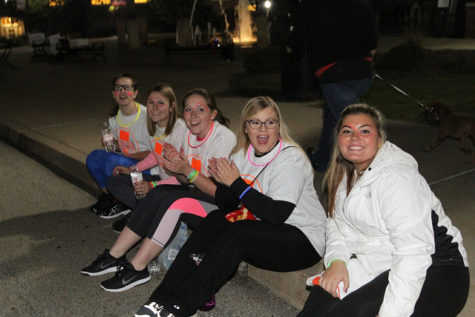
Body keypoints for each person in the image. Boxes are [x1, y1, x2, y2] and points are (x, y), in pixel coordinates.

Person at [133, 96, 327, 317]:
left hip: (303, 241)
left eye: (270, 122)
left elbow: (277, 214)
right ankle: (160, 299)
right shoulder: (243, 154)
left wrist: (235, 182)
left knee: (238, 233)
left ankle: (182, 306)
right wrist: (224, 182)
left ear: (278, 126)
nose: (263, 129)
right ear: (246, 128)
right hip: (265, 229)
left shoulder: (290, 158)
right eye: (255, 122)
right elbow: (226, 204)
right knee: (216, 219)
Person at [298, 104, 469, 317]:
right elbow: (335, 223)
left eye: (365, 130)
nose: (355, 137)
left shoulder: (397, 178)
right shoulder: (344, 174)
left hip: (438, 269)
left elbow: (413, 252)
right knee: (321, 297)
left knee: (351, 312)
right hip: (383, 263)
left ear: (380, 139)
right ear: (339, 138)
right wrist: (336, 261)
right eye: (347, 131)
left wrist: (391, 313)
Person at [80, 88, 237, 293]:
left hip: (222, 206)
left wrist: (185, 170)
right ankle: (115, 256)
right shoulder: (190, 135)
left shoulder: (222, 138)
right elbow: (184, 179)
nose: (193, 115)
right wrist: (175, 166)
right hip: (196, 193)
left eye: (200, 109)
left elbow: (219, 193)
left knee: (170, 201)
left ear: (213, 113)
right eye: (188, 109)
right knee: (156, 194)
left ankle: (138, 267)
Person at [287, 0, 378, 171]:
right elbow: (372, 42)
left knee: (355, 123)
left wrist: (291, 47)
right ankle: (323, 160)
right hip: (362, 71)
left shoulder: (311, 5)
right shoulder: (362, 4)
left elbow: (299, 33)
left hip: (333, 73)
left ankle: (377, 164)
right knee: (332, 117)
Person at [103, 83, 187, 225]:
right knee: (114, 181)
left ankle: (146, 215)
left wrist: (152, 186)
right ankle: (148, 212)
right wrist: (133, 169)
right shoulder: (156, 126)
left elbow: (182, 178)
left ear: (172, 106)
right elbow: (156, 154)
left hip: (179, 186)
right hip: (161, 179)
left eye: (161, 103)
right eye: (151, 103)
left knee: (145, 190)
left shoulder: (180, 131)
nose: (155, 107)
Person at [87, 74, 151, 217]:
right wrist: (110, 143)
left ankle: (123, 201)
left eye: (126, 88)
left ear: (135, 93)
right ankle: (113, 196)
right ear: (113, 93)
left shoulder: (147, 117)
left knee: (113, 161)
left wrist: (126, 154)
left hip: (147, 167)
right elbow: (115, 147)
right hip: (125, 161)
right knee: (93, 157)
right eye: (118, 88)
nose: (122, 92)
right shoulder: (114, 118)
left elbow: (154, 153)